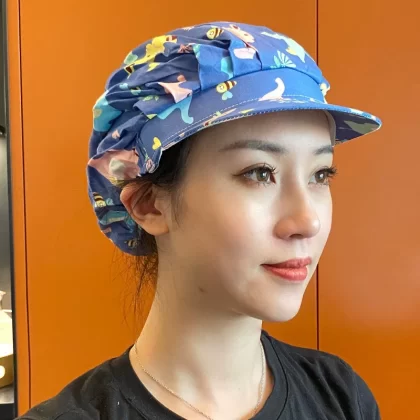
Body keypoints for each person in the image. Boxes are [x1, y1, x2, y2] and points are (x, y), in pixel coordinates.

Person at [18, 21, 382, 420]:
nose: (307, 221)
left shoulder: (339, 395)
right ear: (149, 205)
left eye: (320, 174)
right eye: (260, 172)